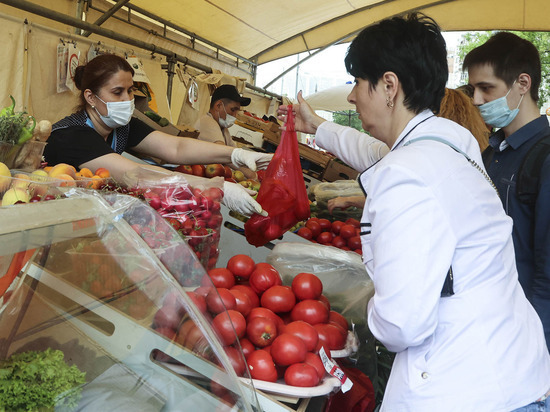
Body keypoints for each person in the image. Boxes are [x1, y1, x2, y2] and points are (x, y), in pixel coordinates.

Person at [279, 13, 550, 411]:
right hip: (514, 372)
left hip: (468, 390)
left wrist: (363, 311)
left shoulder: (406, 175)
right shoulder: (451, 143)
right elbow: (374, 151)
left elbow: (401, 324)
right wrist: (317, 126)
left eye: (357, 81)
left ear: (389, 85)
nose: (352, 96)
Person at [44, 54, 272, 217]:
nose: (127, 99)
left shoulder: (121, 127)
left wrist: (235, 154)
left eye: (130, 90)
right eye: (117, 92)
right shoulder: (70, 136)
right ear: (91, 98)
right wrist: (213, 187)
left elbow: (176, 148)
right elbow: (134, 174)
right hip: (54, 218)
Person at [463, 32, 550, 352]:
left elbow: (548, 274)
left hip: (524, 335)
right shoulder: (490, 155)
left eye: (487, 88)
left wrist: (533, 345)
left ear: (522, 84)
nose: (476, 100)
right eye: (474, 89)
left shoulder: (544, 159)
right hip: (487, 324)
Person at [194, 84, 257, 179]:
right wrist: (250, 174)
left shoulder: (224, 129)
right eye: (233, 110)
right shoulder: (207, 121)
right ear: (218, 105)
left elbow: (236, 153)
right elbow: (224, 153)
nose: (235, 115)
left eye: (237, 111)